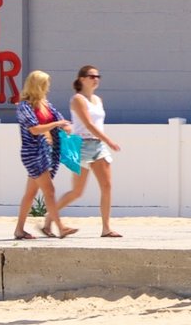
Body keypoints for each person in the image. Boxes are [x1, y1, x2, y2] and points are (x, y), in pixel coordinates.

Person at [52, 64, 123, 237]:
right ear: (82, 79)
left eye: (98, 76)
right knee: (77, 192)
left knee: (106, 186)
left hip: (98, 146)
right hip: (81, 146)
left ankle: (106, 228)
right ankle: (49, 217)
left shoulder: (98, 100)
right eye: (92, 76)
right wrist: (110, 141)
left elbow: (97, 124)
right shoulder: (77, 99)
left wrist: (104, 142)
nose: (96, 79)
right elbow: (89, 124)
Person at [11, 69, 73, 240]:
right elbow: (34, 129)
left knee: (30, 194)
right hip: (33, 153)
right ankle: (60, 227)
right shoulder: (25, 106)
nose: (48, 87)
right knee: (49, 190)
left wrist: (64, 126)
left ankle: (19, 230)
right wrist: (57, 124)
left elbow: (58, 118)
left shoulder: (45, 104)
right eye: (45, 84)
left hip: (47, 153)